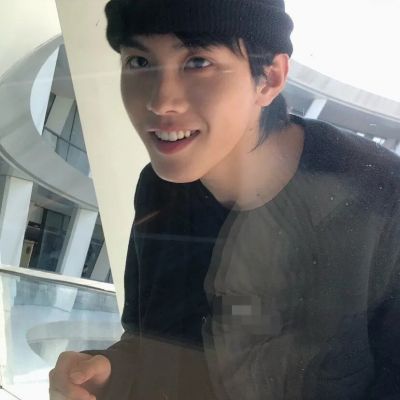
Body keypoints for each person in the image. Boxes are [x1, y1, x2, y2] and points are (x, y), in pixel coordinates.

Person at [49, 0, 400, 399]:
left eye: (198, 62)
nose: (160, 102)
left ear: (269, 78)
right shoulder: (159, 189)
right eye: (139, 62)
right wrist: (109, 374)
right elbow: (151, 343)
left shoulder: (381, 201)